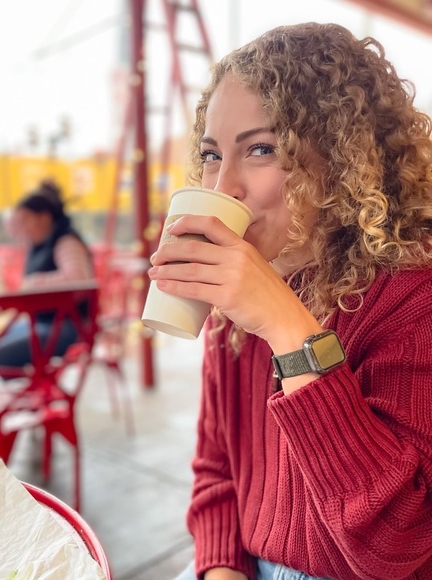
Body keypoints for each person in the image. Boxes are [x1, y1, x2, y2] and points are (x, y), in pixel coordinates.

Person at [148, 22, 432, 580]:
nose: (222, 186)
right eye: (211, 155)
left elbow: (397, 541)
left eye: (261, 149)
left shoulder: (412, 295)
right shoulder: (227, 306)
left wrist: (285, 326)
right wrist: (221, 569)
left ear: (345, 161)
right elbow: (217, 472)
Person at [0, 179, 94, 368]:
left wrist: (34, 283)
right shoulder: (39, 244)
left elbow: (78, 280)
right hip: (45, 322)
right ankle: (37, 383)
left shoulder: (65, 241)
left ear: (44, 217)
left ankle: (39, 383)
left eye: (26, 219)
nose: (23, 226)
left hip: (70, 326)